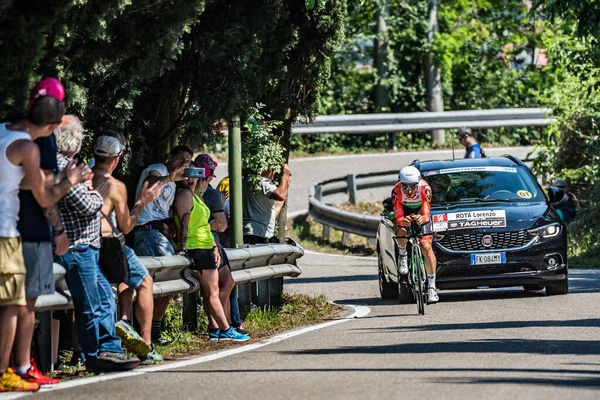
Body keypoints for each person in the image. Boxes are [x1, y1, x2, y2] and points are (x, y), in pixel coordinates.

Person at [0, 97, 90, 392]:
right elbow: (45, 197)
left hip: (10, 229)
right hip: (7, 231)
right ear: (51, 126)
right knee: (14, 304)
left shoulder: (4, 131)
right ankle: (8, 372)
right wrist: (70, 180)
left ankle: (14, 369)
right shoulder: (28, 146)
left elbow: (25, 183)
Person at [53, 116, 139, 372]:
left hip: (86, 247)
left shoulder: (71, 165)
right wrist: (93, 192)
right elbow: (89, 205)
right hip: (78, 247)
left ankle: (109, 350)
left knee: (102, 300)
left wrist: (88, 187)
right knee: (91, 304)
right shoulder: (64, 167)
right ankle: (97, 355)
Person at [8, 79, 69, 388]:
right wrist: (58, 228)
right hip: (28, 228)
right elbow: (42, 189)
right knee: (23, 306)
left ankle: (17, 367)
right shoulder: (41, 138)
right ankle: (20, 367)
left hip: (12, 227)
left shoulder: (9, 126)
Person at [91, 132, 164, 364]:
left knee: (91, 297)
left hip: (81, 244)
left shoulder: (80, 177)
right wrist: (141, 203)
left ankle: (83, 352)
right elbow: (126, 227)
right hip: (108, 243)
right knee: (144, 281)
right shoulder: (115, 186)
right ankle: (146, 344)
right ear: (117, 157)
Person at [173, 163, 249, 342]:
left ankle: (220, 330)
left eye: (194, 175)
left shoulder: (196, 196)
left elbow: (207, 226)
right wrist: (184, 248)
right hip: (196, 247)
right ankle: (225, 329)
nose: (191, 179)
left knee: (215, 289)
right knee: (212, 291)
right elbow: (184, 223)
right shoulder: (184, 195)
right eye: (187, 174)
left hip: (206, 246)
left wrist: (214, 246)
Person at [133, 145, 191, 344]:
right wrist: (170, 178)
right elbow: (150, 184)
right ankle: (144, 333)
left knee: (166, 283)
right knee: (166, 277)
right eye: (181, 159)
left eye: (188, 162)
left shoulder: (176, 183)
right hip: (147, 231)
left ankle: (154, 331)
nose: (184, 164)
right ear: (170, 157)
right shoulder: (158, 169)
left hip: (160, 235)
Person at [194, 154, 247, 337]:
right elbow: (218, 224)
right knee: (212, 288)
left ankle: (219, 324)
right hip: (201, 244)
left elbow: (222, 224)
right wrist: (210, 225)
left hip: (213, 244)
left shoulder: (212, 194)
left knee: (226, 283)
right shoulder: (189, 193)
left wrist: (213, 226)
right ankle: (217, 326)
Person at [391, 166, 439, 304]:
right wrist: (402, 221)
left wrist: (421, 219)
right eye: (405, 187)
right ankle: (402, 254)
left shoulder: (425, 189)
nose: (409, 190)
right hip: (404, 211)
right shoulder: (396, 191)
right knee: (402, 230)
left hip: (420, 211)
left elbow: (426, 214)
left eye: (413, 186)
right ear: (400, 184)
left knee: (426, 245)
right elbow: (398, 216)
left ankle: (431, 288)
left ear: (418, 183)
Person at [242, 164, 292, 244]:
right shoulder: (262, 182)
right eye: (272, 169)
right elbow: (280, 195)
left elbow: (268, 211)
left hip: (248, 232)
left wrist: (285, 187)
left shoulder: (247, 182)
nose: (274, 172)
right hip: (259, 234)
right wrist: (285, 175)